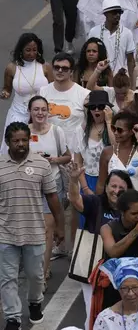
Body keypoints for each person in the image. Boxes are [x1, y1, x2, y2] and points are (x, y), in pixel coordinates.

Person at [0, 122, 64, 330]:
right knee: (7, 278)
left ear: (29, 140)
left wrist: (60, 227)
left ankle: (35, 303)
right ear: (7, 142)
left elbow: (53, 197)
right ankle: (12, 317)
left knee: (36, 276)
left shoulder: (41, 165)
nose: (20, 144)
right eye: (16, 140)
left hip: (35, 232)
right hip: (5, 233)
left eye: (24, 140)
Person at [68, 163, 133, 330]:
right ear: (106, 186)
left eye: (121, 188)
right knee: (93, 313)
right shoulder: (96, 203)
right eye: (113, 186)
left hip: (119, 271)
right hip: (93, 270)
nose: (116, 191)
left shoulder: (131, 210)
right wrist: (74, 180)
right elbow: (75, 199)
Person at [27, 95, 71, 282]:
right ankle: (35, 267)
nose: (40, 113)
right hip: (27, 189)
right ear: (29, 111)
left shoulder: (56, 131)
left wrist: (52, 160)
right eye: (36, 109)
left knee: (47, 231)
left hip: (51, 187)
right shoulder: (22, 132)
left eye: (43, 109)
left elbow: (67, 156)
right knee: (30, 232)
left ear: (48, 111)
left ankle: (42, 276)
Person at [0, 33, 52, 143]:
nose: (32, 53)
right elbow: (7, 89)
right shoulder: (12, 68)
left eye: (34, 50)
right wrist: (4, 93)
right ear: (21, 50)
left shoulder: (45, 67)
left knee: (40, 144)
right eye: (28, 50)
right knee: (16, 144)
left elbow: (53, 89)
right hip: (18, 113)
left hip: (40, 114)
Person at [39, 52, 92, 150]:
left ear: (71, 72)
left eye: (65, 68)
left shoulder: (84, 94)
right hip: (48, 149)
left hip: (75, 151)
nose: (60, 70)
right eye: (56, 67)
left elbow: (91, 124)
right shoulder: (42, 92)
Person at [97, 110, 138, 198]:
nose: (115, 133)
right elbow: (101, 184)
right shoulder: (107, 152)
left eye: (120, 130)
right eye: (114, 128)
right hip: (114, 204)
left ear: (132, 131)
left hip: (137, 204)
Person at [74, 90, 114, 196]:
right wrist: (85, 188)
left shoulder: (114, 127)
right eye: (92, 107)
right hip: (88, 179)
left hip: (110, 179)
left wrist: (109, 122)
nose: (96, 110)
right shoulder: (81, 130)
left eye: (100, 107)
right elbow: (78, 162)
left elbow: (116, 147)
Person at [88, 0, 136, 77]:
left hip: (120, 80)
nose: (117, 15)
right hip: (98, 77)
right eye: (114, 12)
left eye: (119, 12)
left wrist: (131, 83)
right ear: (105, 14)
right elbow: (89, 57)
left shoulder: (127, 33)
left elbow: (130, 60)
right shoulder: (94, 32)